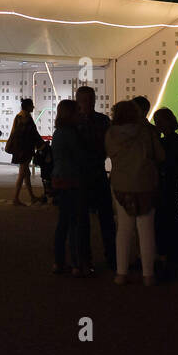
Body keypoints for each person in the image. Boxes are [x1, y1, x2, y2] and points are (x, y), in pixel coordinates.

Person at [106, 100, 160, 287]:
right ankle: (148, 275)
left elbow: (108, 153)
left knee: (123, 230)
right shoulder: (146, 132)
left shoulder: (111, 134)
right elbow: (160, 155)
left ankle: (121, 274)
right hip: (145, 184)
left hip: (121, 184)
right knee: (146, 230)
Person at [76, 85, 116, 270]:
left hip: (94, 173)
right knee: (84, 220)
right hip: (84, 175)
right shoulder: (84, 122)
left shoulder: (99, 120)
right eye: (85, 100)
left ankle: (111, 255)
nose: (89, 103)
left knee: (105, 217)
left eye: (91, 99)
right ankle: (87, 257)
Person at [49, 100, 89, 275]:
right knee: (74, 222)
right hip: (71, 179)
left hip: (59, 178)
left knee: (62, 223)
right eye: (77, 111)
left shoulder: (58, 132)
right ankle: (75, 263)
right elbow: (79, 156)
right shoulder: (71, 133)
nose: (80, 114)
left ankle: (58, 262)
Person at [152, 107, 178, 281]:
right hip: (176, 187)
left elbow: (165, 162)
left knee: (168, 222)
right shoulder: (177, 139)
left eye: (159, 121)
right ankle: (173, 259)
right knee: (174, 223)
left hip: (169, 188)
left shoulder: (166, 142)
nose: (157, 124)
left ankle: (170, 259)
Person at [6, 98, 43, 206]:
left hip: (19, 149)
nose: (33, 107)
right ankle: (16, 198)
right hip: (24, 150)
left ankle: (32, 197)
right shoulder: (26, 118)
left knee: (26, 173)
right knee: (22, 173)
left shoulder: (19, 116)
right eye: (32, 105)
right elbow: (33, 134)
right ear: (27, 107)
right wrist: (41, 144)